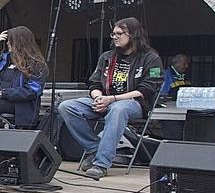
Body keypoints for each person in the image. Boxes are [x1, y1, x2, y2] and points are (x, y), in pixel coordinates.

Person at [58, 17, 165, 179]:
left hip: (133, 104)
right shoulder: (107, 57)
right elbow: (94, 84)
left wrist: (112, 99)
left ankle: (101, 164)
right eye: (113, 33)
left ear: (133, 35)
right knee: (66, 106)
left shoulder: (151, 58)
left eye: (119, 34)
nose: (114, 37)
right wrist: (98, 98)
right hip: (106, 100)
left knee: (118, 109)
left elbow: (147, 89)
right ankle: (94, 148)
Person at [0, 26, 48, 130]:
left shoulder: (37, 65)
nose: (7, 43)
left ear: (18, 43)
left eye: (9, 41)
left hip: (20, 106)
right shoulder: (4, 62)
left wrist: (5, 93)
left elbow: (33, 91)